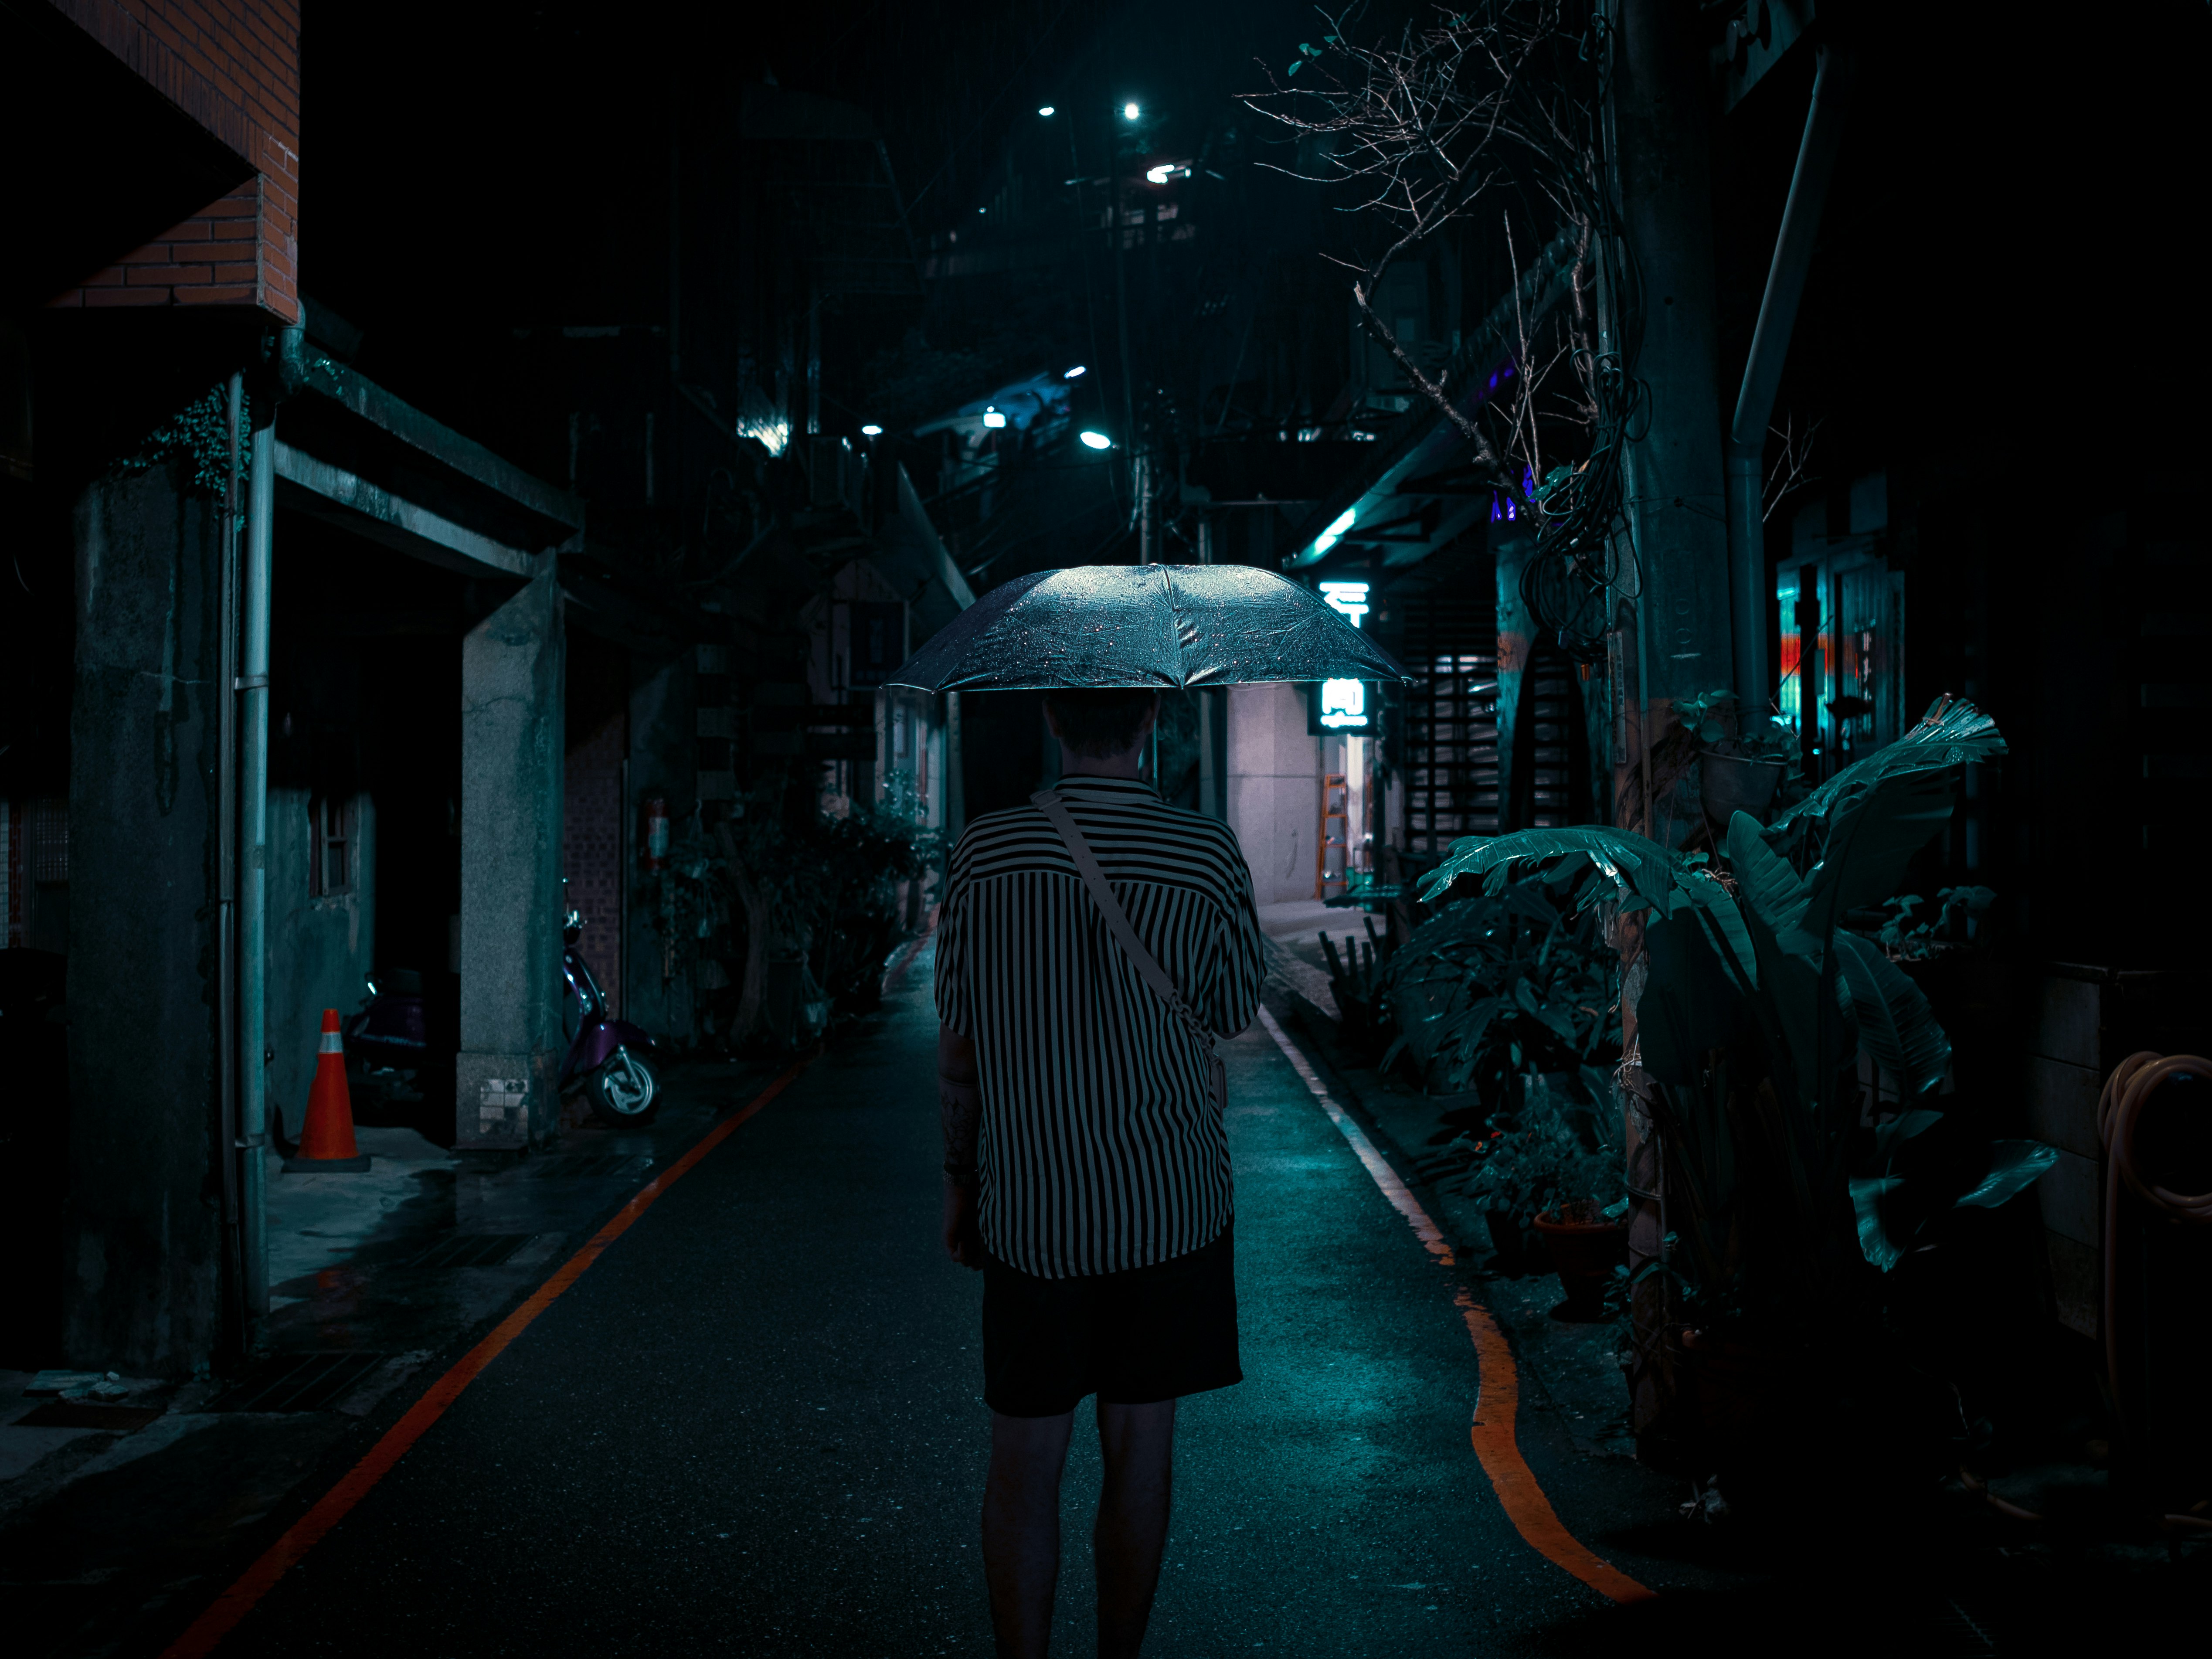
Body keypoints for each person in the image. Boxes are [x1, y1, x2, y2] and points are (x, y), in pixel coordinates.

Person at [935, 686, 1264, 1659]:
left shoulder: (983, 854)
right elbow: (1237, 1003)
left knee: (1024, 1459)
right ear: (1150, 725)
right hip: (1169, 1203)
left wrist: (962, 1185)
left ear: (1048, 719)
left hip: (1030, 1202)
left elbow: (959, 1048)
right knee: (1140, 1447)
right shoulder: (1204, 854)